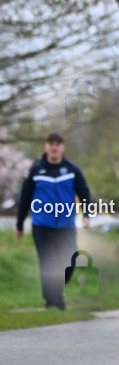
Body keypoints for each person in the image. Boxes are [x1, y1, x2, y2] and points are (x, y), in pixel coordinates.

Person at [15, 133, 92, 310]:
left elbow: (84, 193)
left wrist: (86, 215)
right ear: (46, 146)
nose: (54, 147)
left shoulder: (72, 170)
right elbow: (25, 198)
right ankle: (52, 300)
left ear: (62, 147)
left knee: (71, 260)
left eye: (58, 144)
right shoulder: (36, 171)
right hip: (42, 224)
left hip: (66, 224)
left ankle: (56, 292)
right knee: (47, 261)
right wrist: (19, 225)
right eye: (51, 144)